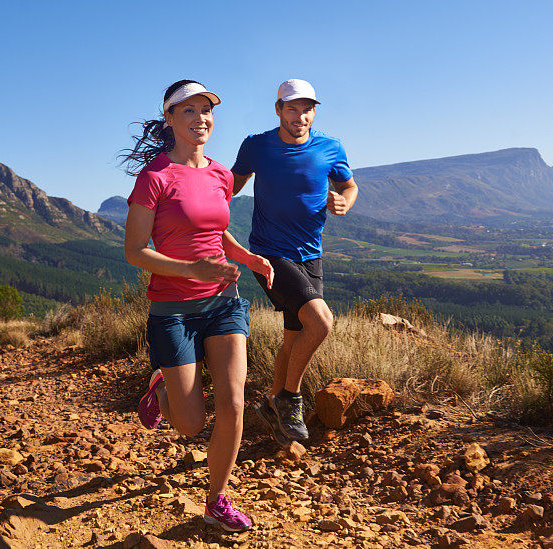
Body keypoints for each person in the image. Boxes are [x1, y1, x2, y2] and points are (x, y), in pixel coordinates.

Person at [121, 79, 274, 532]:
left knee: (233, 403)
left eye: (206, 109)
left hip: (224, 302)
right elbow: (134, 251)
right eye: (188, 110)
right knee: (189, 425)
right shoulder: (154, 177)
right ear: (169, 119)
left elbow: (213, 229)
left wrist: (246, 257)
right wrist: (194, 269)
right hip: (173, 311)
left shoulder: (221, 173)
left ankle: (215, 500)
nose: (200, 118)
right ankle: (162, 388)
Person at [231, 79, 358, 447]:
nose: (299, 116)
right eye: (292, 108)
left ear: (314, 111)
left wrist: (344, 202)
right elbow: (228, 187)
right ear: (278, 110)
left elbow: (349, 187)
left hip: (311, 254)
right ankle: (290, 397)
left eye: (307, 108)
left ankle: (272, 403)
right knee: (320, 322)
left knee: (293, 336)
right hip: (269, 252)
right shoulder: (257, 146)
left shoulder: (330, 147)